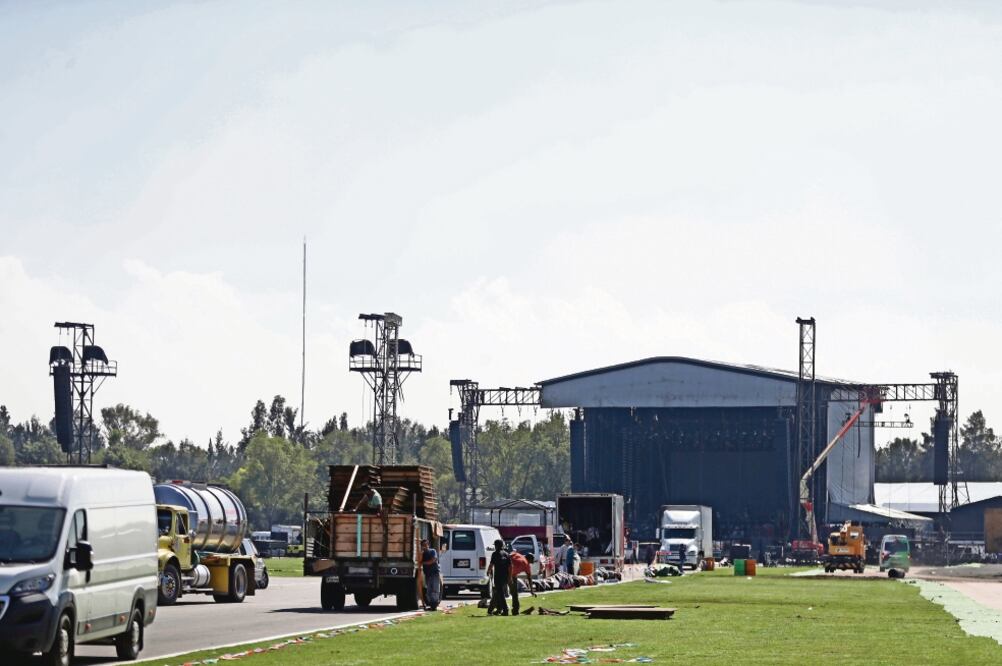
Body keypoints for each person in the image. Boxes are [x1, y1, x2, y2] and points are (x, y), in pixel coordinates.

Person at [485, 539, 511, 615]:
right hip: (505, 577)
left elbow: (491, 564)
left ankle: (505, 610)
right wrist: (509, 577)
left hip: (498, 577)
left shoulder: (495, 554)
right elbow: (510, 567)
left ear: (496, 546)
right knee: (498, 593)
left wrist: (488, 571)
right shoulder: (506, 554)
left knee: (500, 594)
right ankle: (496, 610)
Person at [508, 551, 537, 615]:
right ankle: (515, 610)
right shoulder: (526, 564)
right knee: (514, 593)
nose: (530, 563)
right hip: (510, 575)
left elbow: (510, 554)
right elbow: (529, 578)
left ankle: (494, 608)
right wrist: (532, 590)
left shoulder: (518, 555)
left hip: (506, 571)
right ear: (529, 559)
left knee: (499, 591)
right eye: (531, 561)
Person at [419, 538, 441, 611]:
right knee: (429, 590)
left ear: (428, 545)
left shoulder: (432, 551)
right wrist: (421, 555)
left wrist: (423, 563)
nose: (425, 546)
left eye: (426, 545)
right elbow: (419, 561)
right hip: (428, 574)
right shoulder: (423, 554)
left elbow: (433, 560)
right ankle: (431, 604)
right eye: (423, 545)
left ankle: (434, 604)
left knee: (434, 589)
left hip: (434, 573)